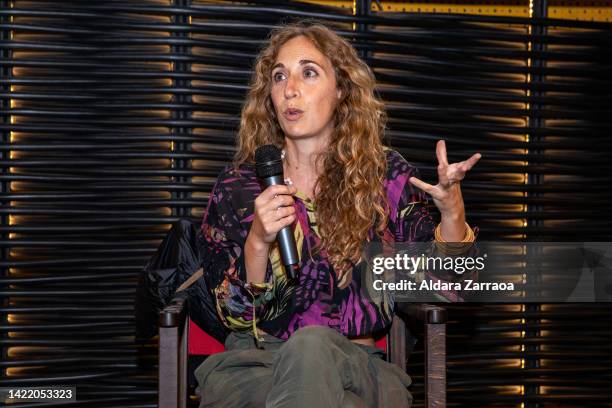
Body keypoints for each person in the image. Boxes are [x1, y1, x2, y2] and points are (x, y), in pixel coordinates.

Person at [194, 20, 481, 408]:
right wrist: (258, 243)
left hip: (358, 367)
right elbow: (233, 319)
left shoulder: (385, 178)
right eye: (279, 77)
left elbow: (453, 290)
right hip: (256, 366)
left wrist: (452, 213)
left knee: (312, 347)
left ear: (342, 91)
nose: (289, 89)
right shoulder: (238, 187)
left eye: (308, 72)